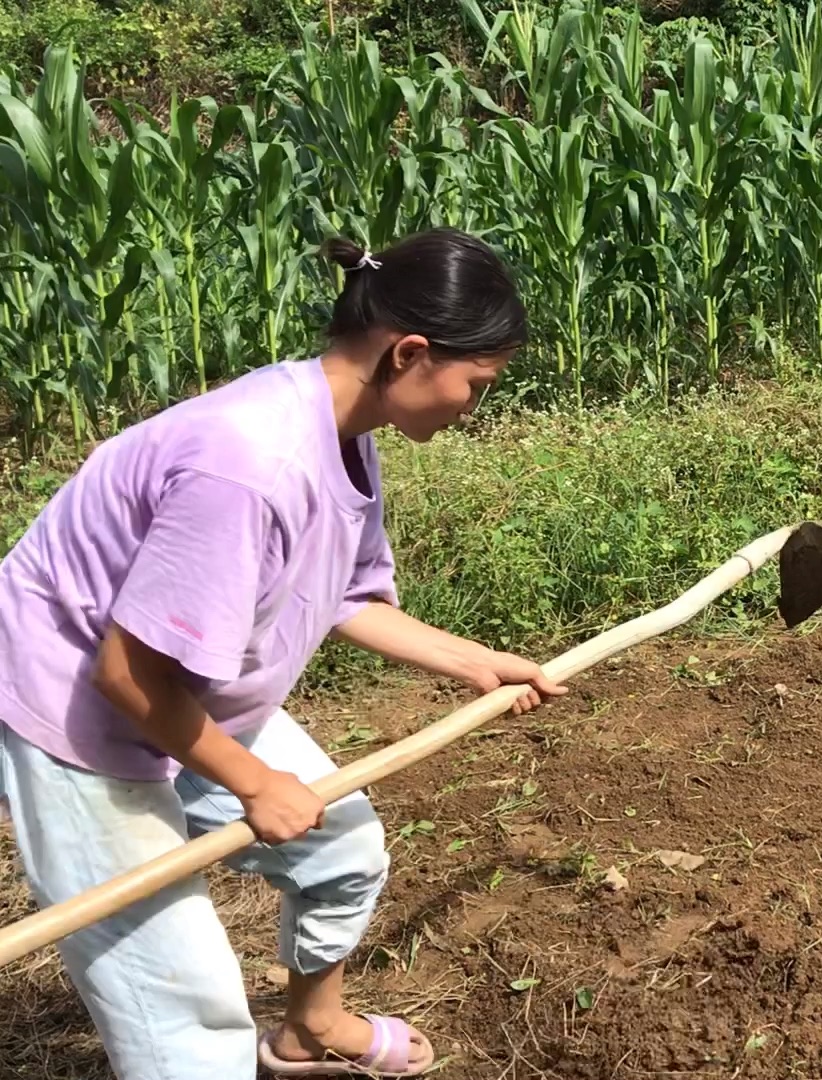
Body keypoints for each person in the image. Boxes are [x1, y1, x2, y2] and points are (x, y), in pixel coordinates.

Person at [0, 228, 568, 1078]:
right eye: (475, 384)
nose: (472, 408)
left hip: (184, 689)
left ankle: (310, 1028)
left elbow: (345, 595)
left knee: (341, 850)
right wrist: (254, 782)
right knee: (183, 1020)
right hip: (82, 709)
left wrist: (473, 662)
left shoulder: (345, 428)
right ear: (409, 352)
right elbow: (124, 671)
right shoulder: (251, 464)